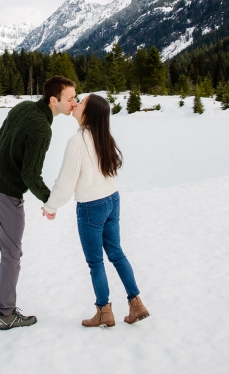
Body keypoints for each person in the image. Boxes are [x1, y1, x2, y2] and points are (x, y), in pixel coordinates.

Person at [0, 75, 78, 330]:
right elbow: (31, 174)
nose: (74, 102)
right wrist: (50, 201)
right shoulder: (41, 128)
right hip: (6, 194)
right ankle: (6, 313)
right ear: (54, 100)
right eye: (70, 98)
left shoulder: (23, 107)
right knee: (12, 252)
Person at [42, 94, 149, 327]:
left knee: (95, 262)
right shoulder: (103, 137)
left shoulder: (78, 141)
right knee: (117, 254)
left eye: (81, 102)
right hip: (112, 200)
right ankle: (136, 303)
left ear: (88, 112)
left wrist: (51, 206)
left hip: (91, 206)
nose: (76, 103)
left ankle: (104, 311)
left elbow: (65, 182)